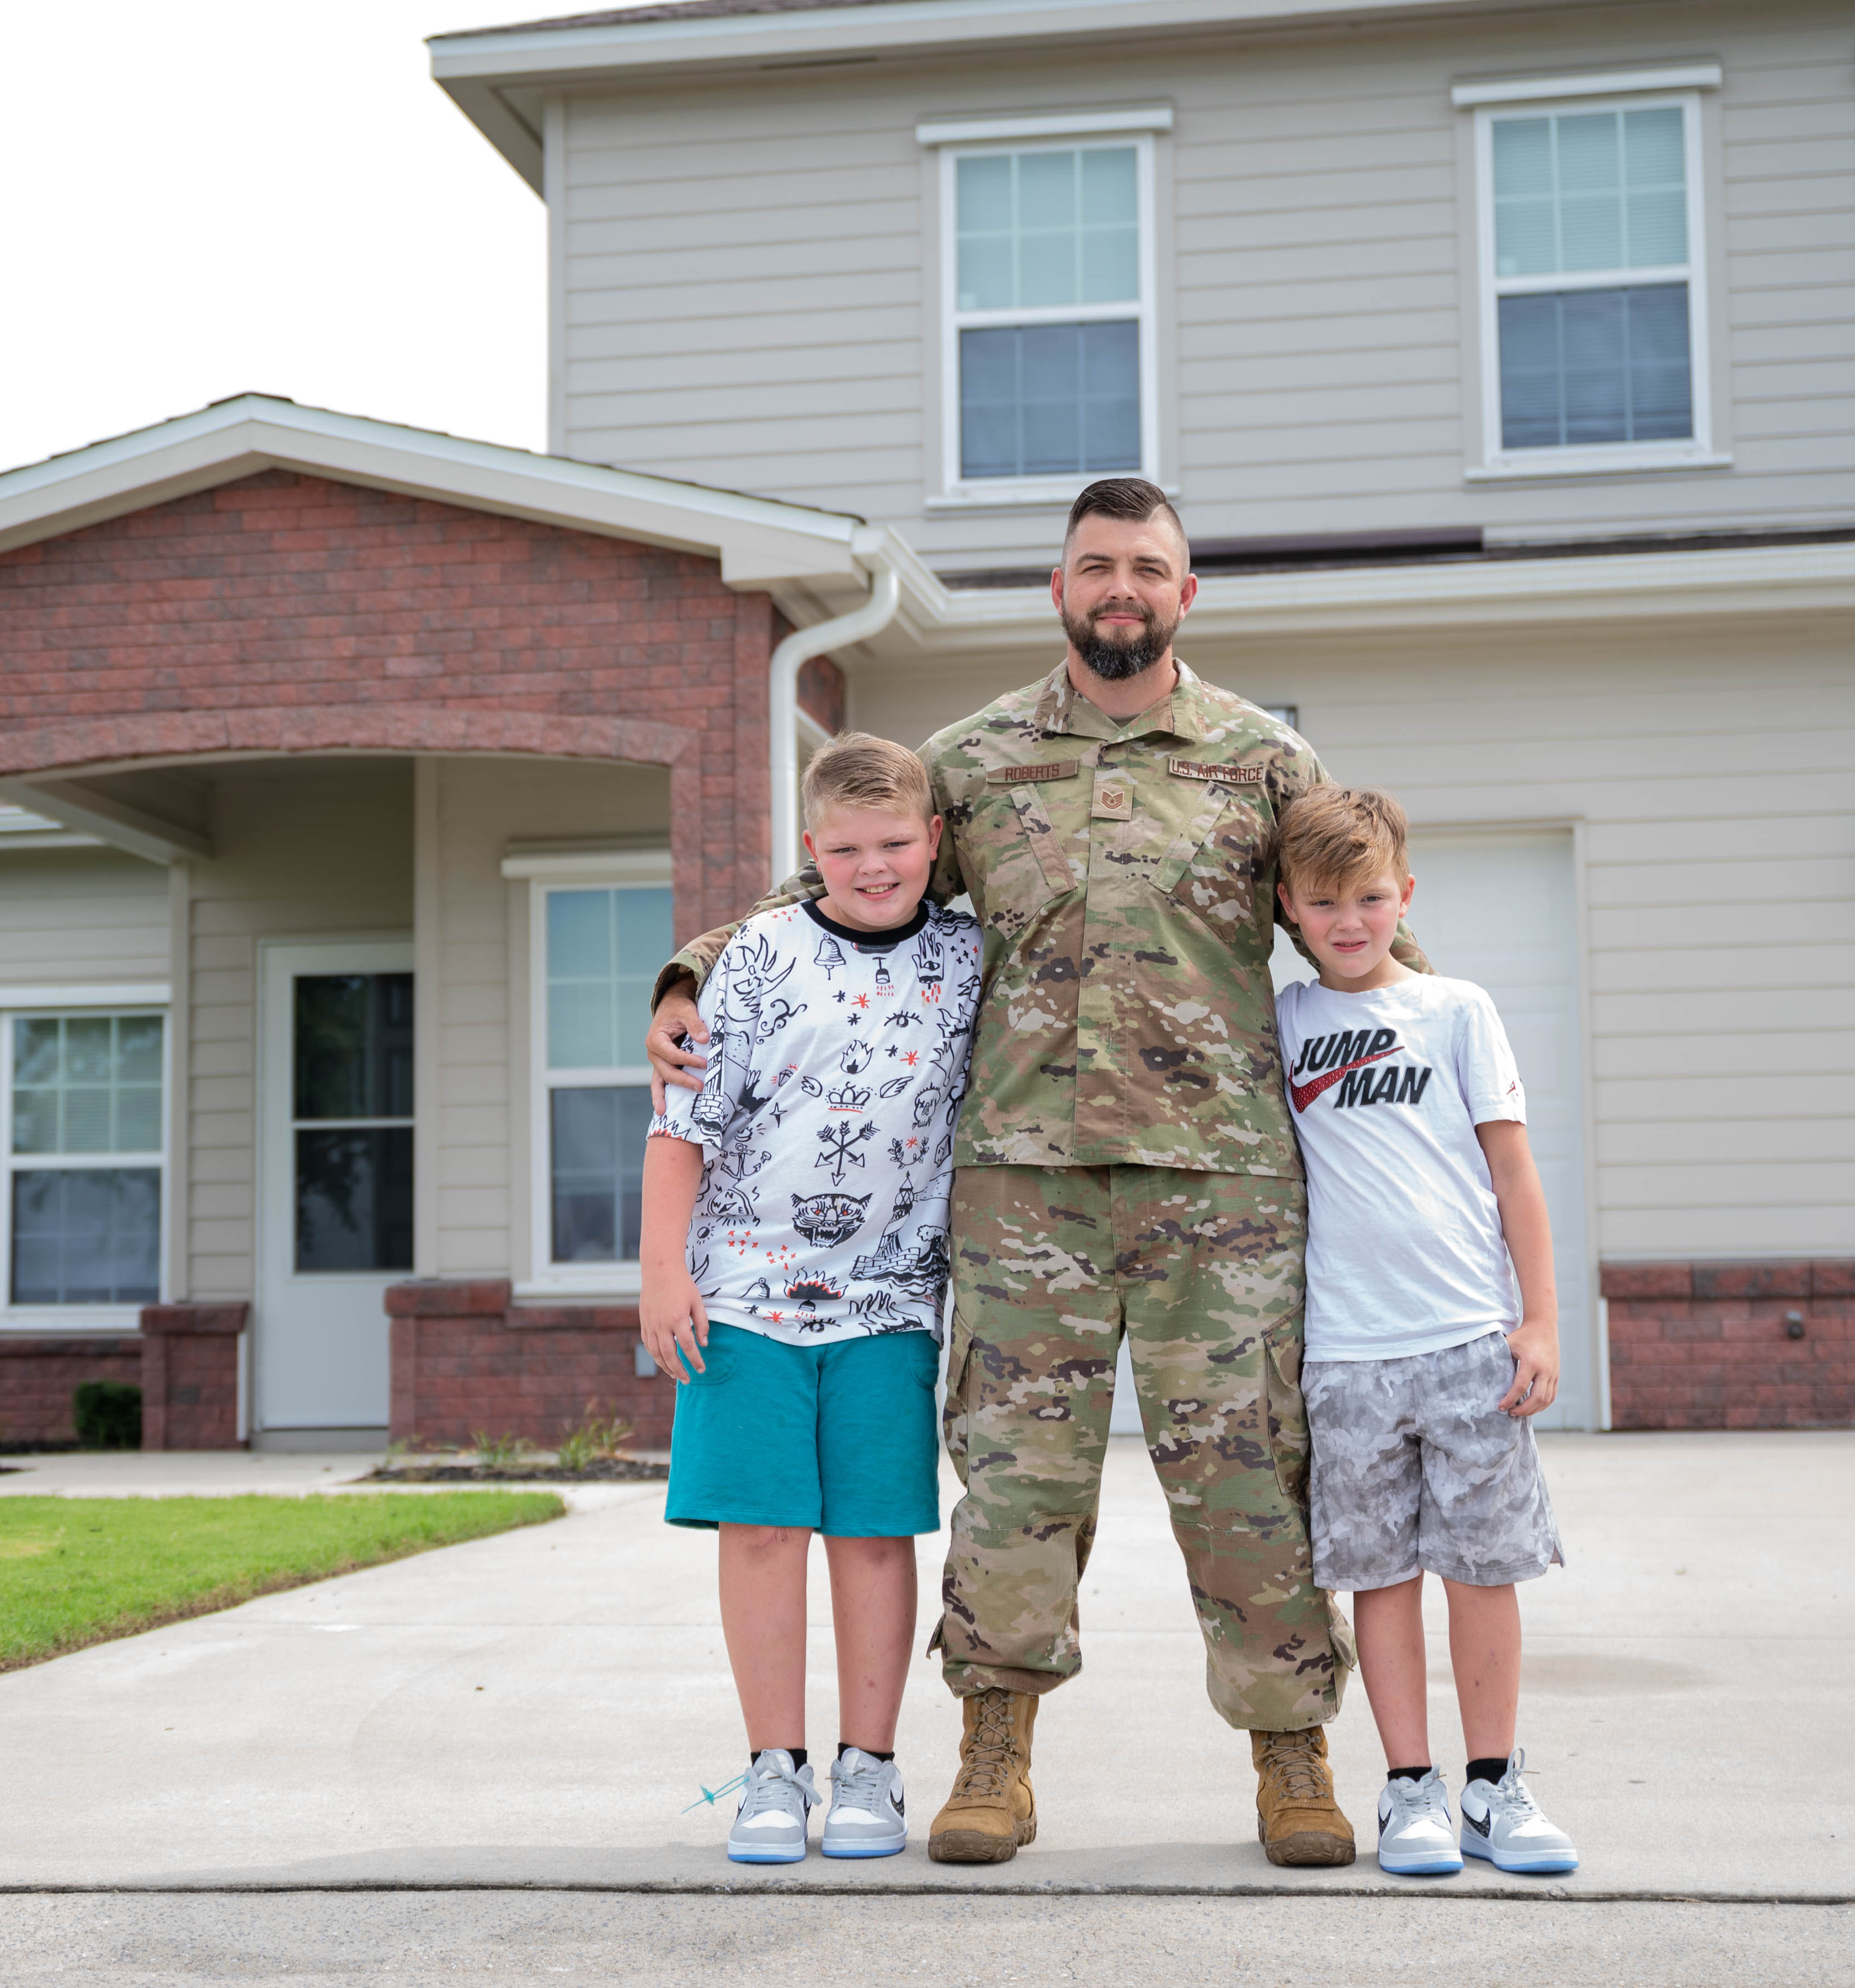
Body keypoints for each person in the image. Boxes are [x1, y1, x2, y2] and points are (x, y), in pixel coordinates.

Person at [648, 478, 1424, 1869]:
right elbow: (841, 883)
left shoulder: (1264, 762)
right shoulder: (974, 759)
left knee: (1247, 1475)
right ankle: (992, 1750)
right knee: (1015, 1483)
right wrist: (696, 968)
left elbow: (1353, 930)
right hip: (1025, 1190)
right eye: (1094, 566)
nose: (1119, 587)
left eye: (1147, 566)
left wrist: (1448, 1060)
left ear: (1186, 594)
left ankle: (1293, 1754)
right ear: (1057, 589)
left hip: (1224, 1193)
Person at [638, 732, 983, 1864]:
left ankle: (868, 1767)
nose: (875, 865)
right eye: (848, 847)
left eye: (896, 842)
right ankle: (773, 1768)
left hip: (891, 1300)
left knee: (878, 1532)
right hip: (744, 1294)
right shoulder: (753, 958)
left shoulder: (970, 959)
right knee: (764, 1525)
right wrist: (661, 1268)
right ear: (810, 850)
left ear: (935, 838)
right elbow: (681, 1119)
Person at [1271, 784, 1578, 1878]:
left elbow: (1515, 1173)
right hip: (1348, 1355)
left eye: (1367, 896)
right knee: (1380, 1575)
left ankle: (1494, 1783)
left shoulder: (1457, 1010)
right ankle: (1413, 1790)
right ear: (1289, 907)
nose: (1349, 920)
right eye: (1323, 902)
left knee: (1484, 1569)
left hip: (1467, 1343)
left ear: (1404, 892)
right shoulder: (1287, 1025)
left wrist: (1538, 1319)